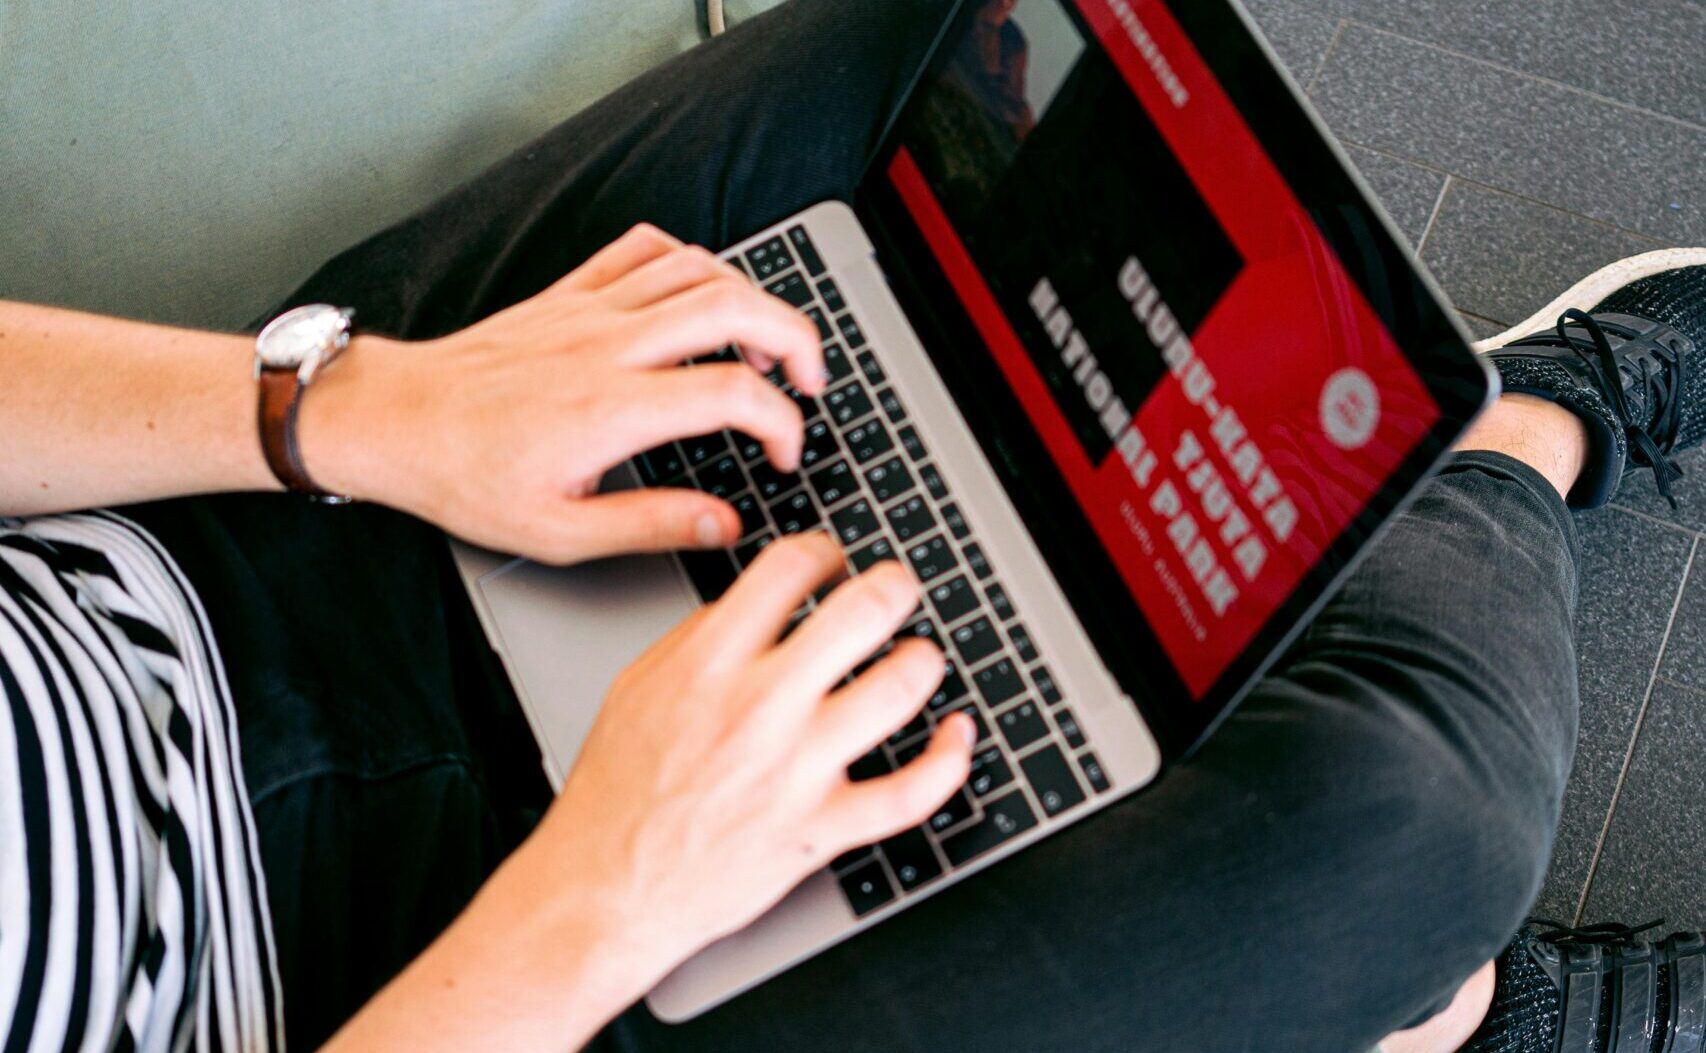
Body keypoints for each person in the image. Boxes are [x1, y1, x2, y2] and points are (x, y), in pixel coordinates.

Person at [2, 1, 1703, 1051]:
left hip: (215, 551)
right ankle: (1506, 447)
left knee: (949, 52)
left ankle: (1345, 943)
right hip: (410, 985)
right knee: (1412, 812)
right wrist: (597, 900)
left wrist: (347, 410)